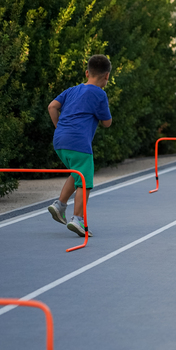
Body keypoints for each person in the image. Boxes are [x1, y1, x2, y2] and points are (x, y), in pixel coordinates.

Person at [46, 55, 113, 237]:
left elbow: (52, 106)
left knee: (77, 173)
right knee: (85, 183)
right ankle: (78, 219)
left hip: (59, 140)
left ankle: (59, 204)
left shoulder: (71, 90)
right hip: (79, 143)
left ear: (86, 72)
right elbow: (106, 123)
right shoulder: (100, 94)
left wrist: (60, 127)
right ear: (107, 76)